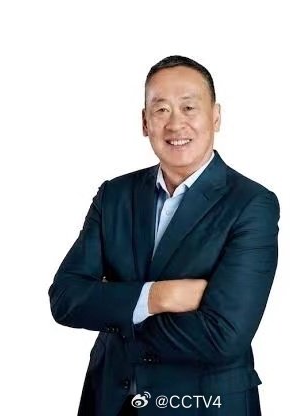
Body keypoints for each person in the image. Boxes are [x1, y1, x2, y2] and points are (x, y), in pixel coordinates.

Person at [48, 55, 280, 416]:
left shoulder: (251, 204)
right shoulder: (114, 196)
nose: (175, 123)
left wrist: (115, 308)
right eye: (161, 110)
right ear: (144, 122)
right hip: (110, 401)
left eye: (189, 107)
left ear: (216, 116)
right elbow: (65, 298)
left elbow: (224, 336)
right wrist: (158, 296)